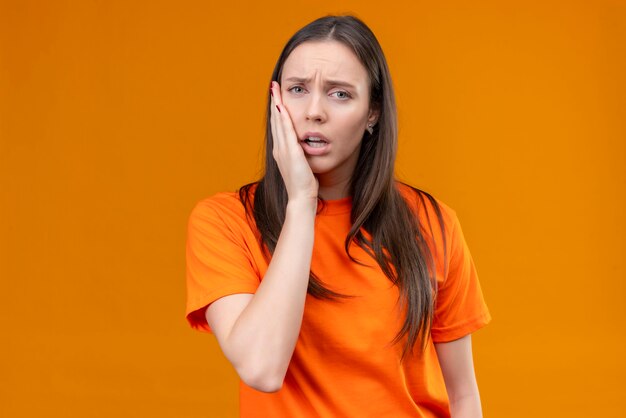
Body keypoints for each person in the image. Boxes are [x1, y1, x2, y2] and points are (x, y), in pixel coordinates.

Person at [185, 15, 491, 418]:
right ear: (276, 101)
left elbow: (463, 396)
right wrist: (301, 204)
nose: (314, 111)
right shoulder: (226, 221)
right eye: (297, 89)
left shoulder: (432, 223)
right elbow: (261, 367)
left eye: (340, 94)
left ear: (373, 113)